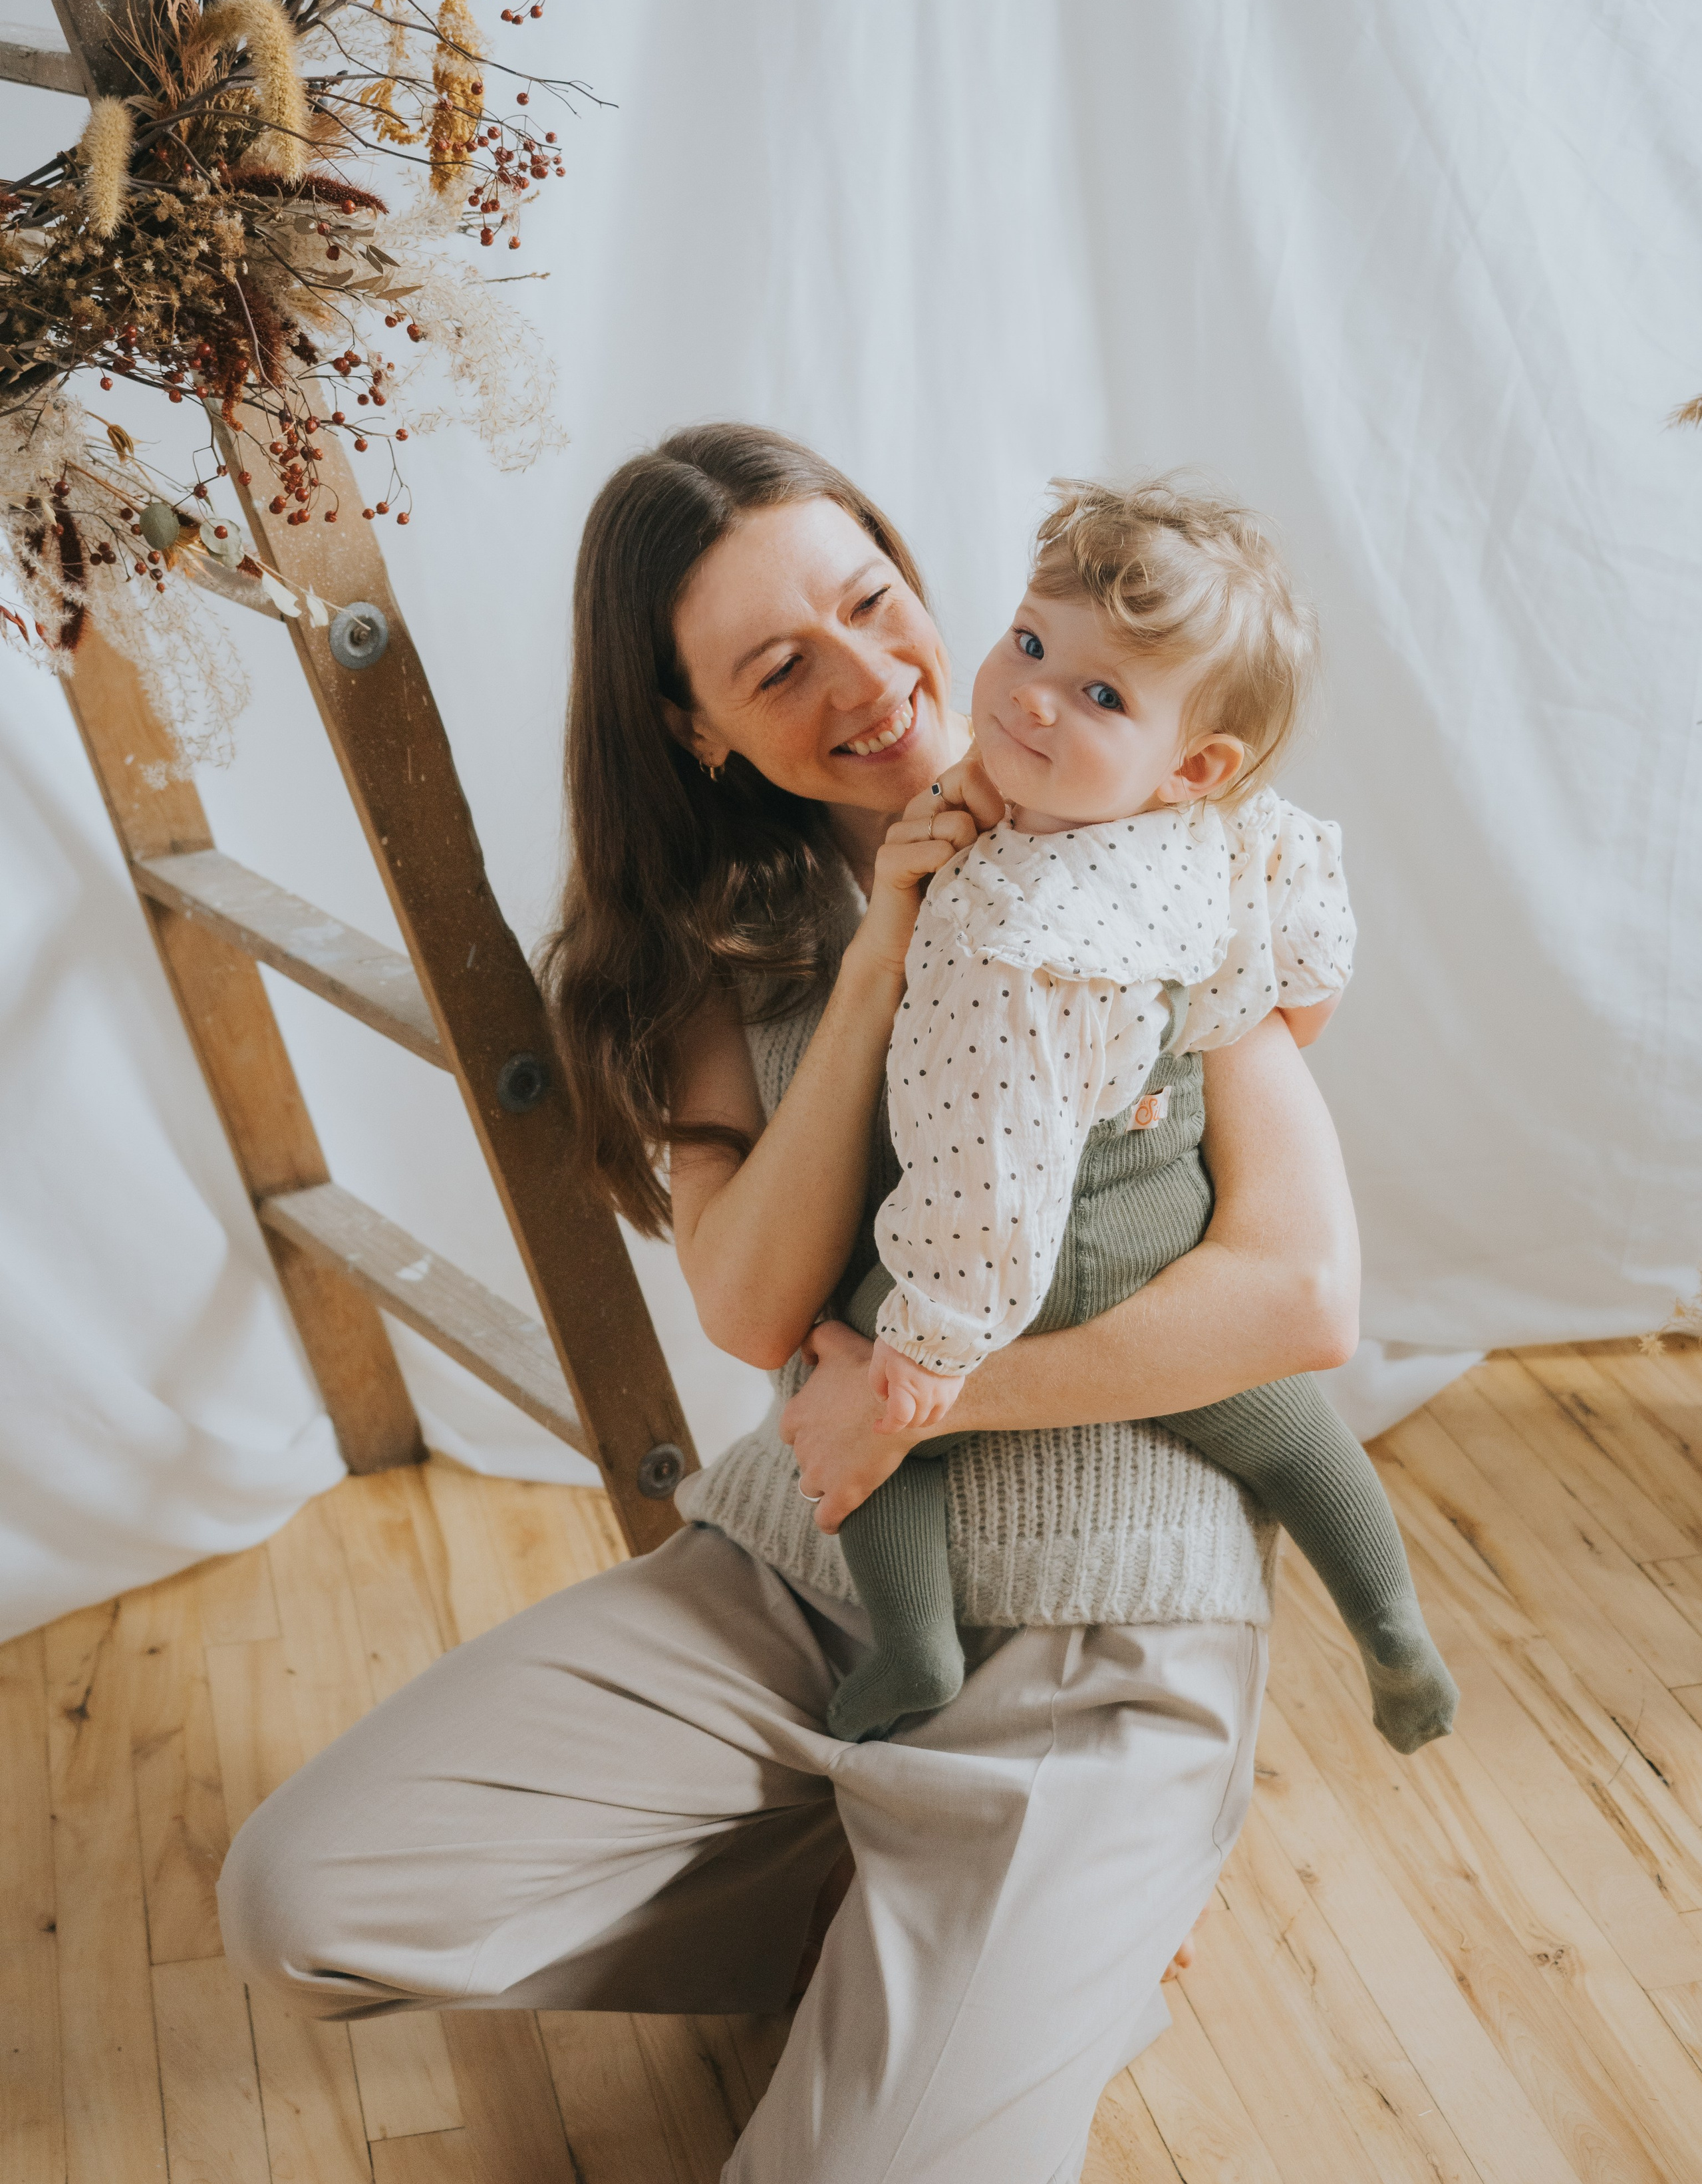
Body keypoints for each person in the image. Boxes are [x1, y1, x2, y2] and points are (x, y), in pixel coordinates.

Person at [217, 424, 1361, 2184]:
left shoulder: (1163, 859)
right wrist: (884, 947)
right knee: (307, 1902)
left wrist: (923, 1397)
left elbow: (1298, 1298)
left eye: (871, 600)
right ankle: (957, 1939)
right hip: (799, 1590)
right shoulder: (712, 951)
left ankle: (1057, 1929)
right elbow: (753, 1306)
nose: (867, 675)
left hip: (1104, 1641)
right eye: (777, 663)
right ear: (699, 729)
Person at [824, 477, 1457, 1755]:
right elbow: (1304, 952)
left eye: (1101, 696)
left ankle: (914, 1645)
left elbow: (988, 1167)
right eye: (1031, 639)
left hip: (1046, 1252)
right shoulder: (1219, 826)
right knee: (1283, 1420)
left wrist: (929, 1350)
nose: (1031, 696)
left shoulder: (1015, 941)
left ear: (1189, 764)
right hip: (1172, 1208)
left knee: (844, 1360)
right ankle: (1395, 1630)